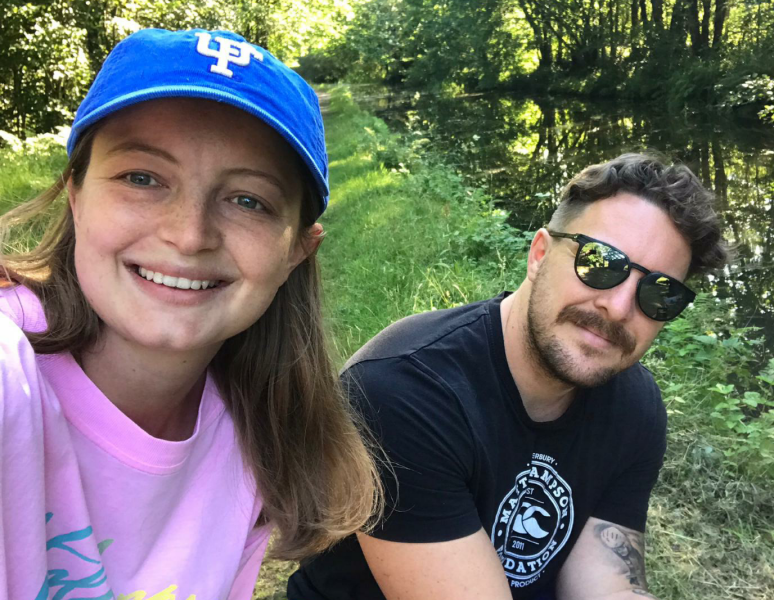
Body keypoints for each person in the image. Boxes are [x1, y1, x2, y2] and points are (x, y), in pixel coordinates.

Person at [0, 28, 380, 599]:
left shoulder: (260, 436)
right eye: (142, 178)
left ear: (298, 251)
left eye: (248, 200)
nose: (188, 234)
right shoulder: (12, 374)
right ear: (75, 194)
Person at [287, 153, 728, 600]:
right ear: (539, 255)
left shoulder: (636, 407)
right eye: (600, 263)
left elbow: (607, 578)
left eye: (659, 293)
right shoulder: (402, 392)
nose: (617, 308)